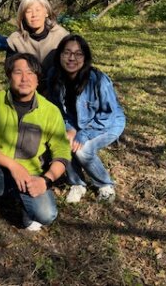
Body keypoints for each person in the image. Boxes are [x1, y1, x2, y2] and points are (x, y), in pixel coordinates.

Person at [0, 53, 71, 244]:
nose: (24, 78)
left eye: (30, 73)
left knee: (47, 214)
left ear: (38, 79)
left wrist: (46, 180)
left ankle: (25, 207)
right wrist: (14, 166)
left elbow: (62, 153)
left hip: (30, 178)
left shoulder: (50, 111)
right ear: (9, 76)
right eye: (18, 72)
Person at [46, 34, 126, 204]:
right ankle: (77, 183)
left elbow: (107, 114)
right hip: (75, 122)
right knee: (64, 141)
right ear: (59, 55)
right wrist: (69, 128)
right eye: (67, 52)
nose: (71, 58)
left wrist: (84, 134)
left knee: (83, 150)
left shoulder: (98, 80)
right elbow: (56, 109)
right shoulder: (54, 75)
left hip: (107, 123)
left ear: (85, 58)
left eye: (78, 54)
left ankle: (105, 184)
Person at [6, 0, 69, 85]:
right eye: (28, 11)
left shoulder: (61, 36)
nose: (34, 15)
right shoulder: (15, 40)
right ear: (23, 16)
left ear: (46, 12)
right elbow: (11, 71)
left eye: (38, 10)